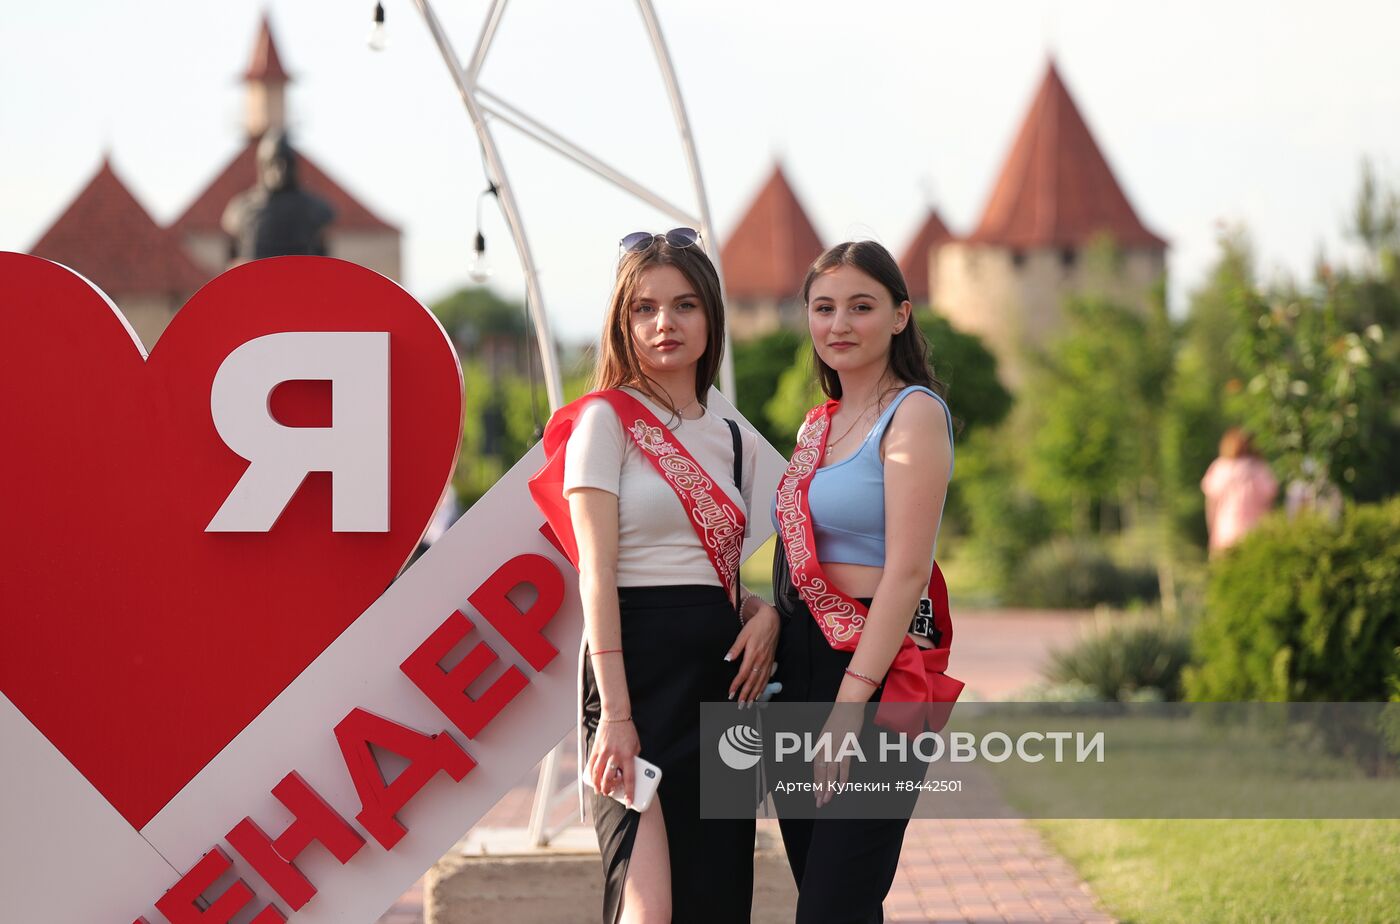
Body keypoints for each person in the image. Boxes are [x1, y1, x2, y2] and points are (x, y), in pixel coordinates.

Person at [528, 228, 780, 924]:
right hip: (631, 678)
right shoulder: (603, 422)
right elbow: (596, 576)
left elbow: (716, 570)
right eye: (644, 308)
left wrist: (764, 612)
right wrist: (615, 714)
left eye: (684, 305)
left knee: (718, 900)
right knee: (648, 908)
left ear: (711, 318)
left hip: (722, 686)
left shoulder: (730, 436)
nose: (665, 322)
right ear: (622, 321)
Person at [769, 240, 963, 923]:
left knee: (833, 906)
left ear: (900, 315)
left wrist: (851, 704)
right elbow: (795, 548)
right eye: (823, 309)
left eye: (861, 306)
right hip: (798, 665)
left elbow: (909, 569)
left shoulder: (913, 414)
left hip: (876, 670)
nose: (839, 325)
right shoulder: (814, 427)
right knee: (826, 899)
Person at [1200, 427, 1278, 556]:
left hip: (1226, 530)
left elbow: (1211, 504)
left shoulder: (1220, 468)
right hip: (1255, 530)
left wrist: (1212, 530)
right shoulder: (1258, 468)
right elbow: (1269, 500)